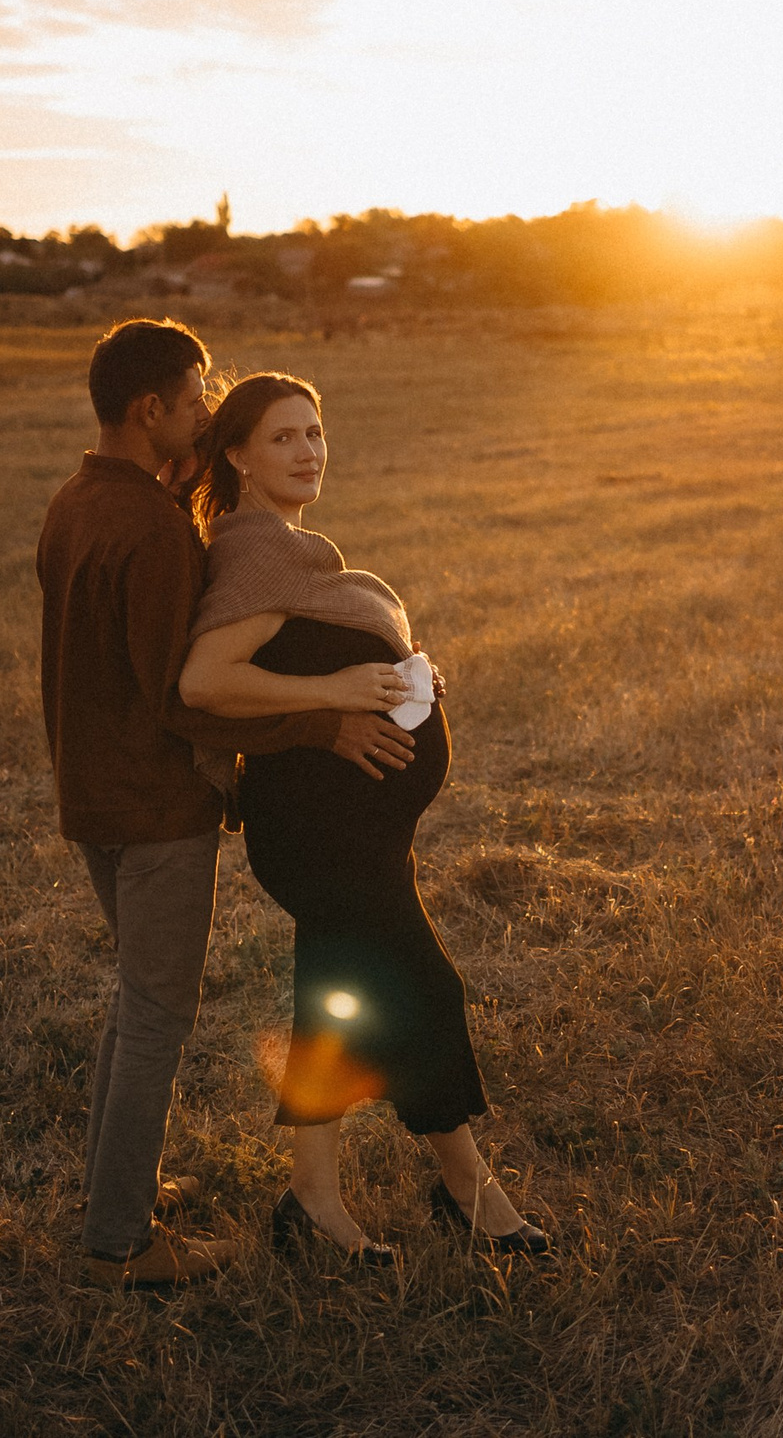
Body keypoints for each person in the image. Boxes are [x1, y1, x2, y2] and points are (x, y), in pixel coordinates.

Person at [35, 321, 418, 1290]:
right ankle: (121, 1243)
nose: (207, 411)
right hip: (156, 804)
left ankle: (111, 1197)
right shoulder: (156, 532)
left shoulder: (75, 503)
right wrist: (324, 722)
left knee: (134, 1003)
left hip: (90, 792)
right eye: (197, 396)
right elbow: (188, 694)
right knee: (158, 1013)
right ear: (148, 410)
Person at [179, 372, 550, 1262]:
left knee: (335, 1007)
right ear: (236, 454)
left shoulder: (290, 546)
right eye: (283, 438)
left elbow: (323, 645)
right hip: (320, 834)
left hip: (358, 830)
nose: (308, 450)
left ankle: (312, 1200)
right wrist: (342, 686)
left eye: (315, 433)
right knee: (425, 988)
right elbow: (206, 681)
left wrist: (401, 679)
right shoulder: (257, 550)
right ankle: (469, 1189)